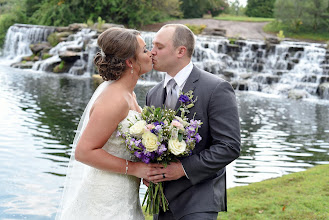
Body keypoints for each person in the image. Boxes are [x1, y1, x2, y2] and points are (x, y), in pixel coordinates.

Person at [145, 24, 241, 220]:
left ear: (181, 51)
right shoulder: (153, 94)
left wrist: (182, 169)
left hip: (199, 200)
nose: (151, 52)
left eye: (159, 47)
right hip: (161, 203)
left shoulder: (216, 88)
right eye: (152, 46)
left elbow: (229, 146)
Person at [55, 27, 153, 220]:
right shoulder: (114, 99)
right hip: (106, 198)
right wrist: (134, 169)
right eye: (144, 50)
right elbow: (84, 152)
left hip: (125, 192)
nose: (150, 53)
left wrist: (144, 165)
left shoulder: (129, 94)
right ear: (129, 62)